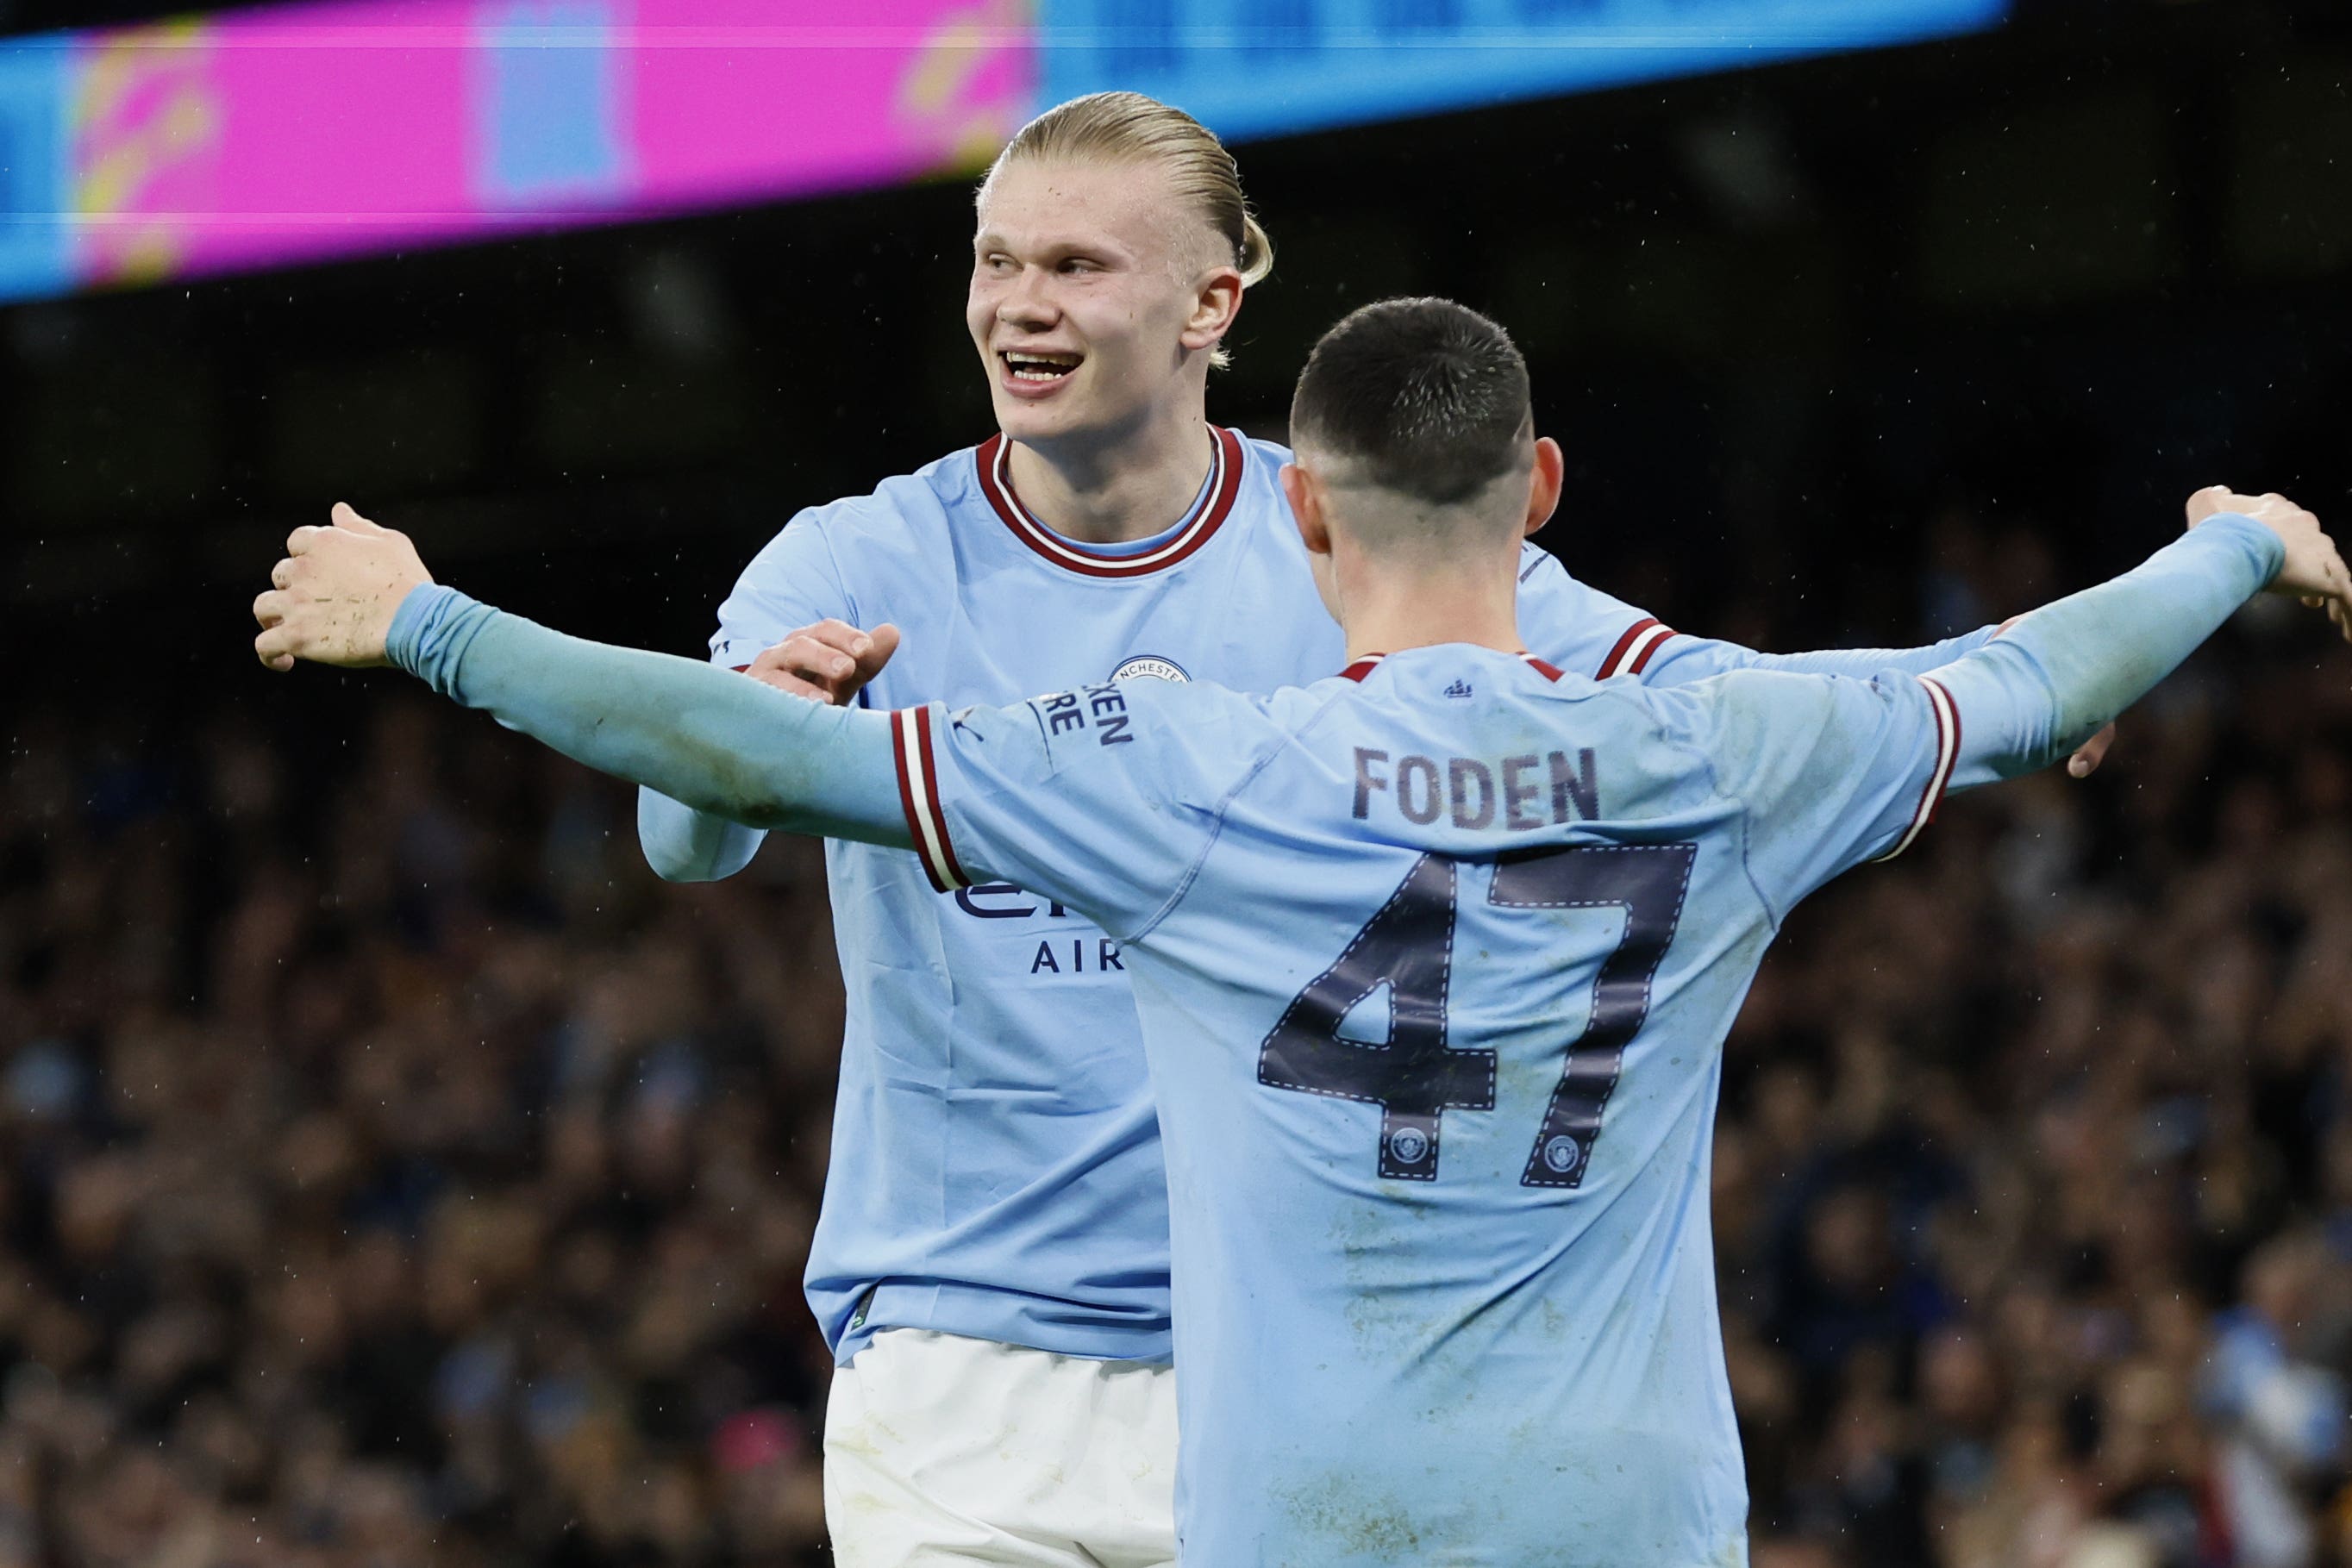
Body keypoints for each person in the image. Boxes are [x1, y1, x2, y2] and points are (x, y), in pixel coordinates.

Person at [252, 297, 2349, 1564]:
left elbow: (732, 748)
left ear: (1306, 510)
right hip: (1627, 1519)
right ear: (1535, 488)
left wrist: (423, 624)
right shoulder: (1731, 745)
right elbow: (2030, 681)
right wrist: (2231, 545)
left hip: (1310, 1524)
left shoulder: (1186, 776)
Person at [630, 91, 2080, 1562]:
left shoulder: (1360, 531)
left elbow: (1717, 706)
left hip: (1296, 1388)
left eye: (1075, 267)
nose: (1019, 306)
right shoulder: (858, 555)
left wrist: (1998, 686)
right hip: (966, 1374)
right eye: (997, 262)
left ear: (1213, 300)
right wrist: (735, 738)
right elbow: (684, 846)